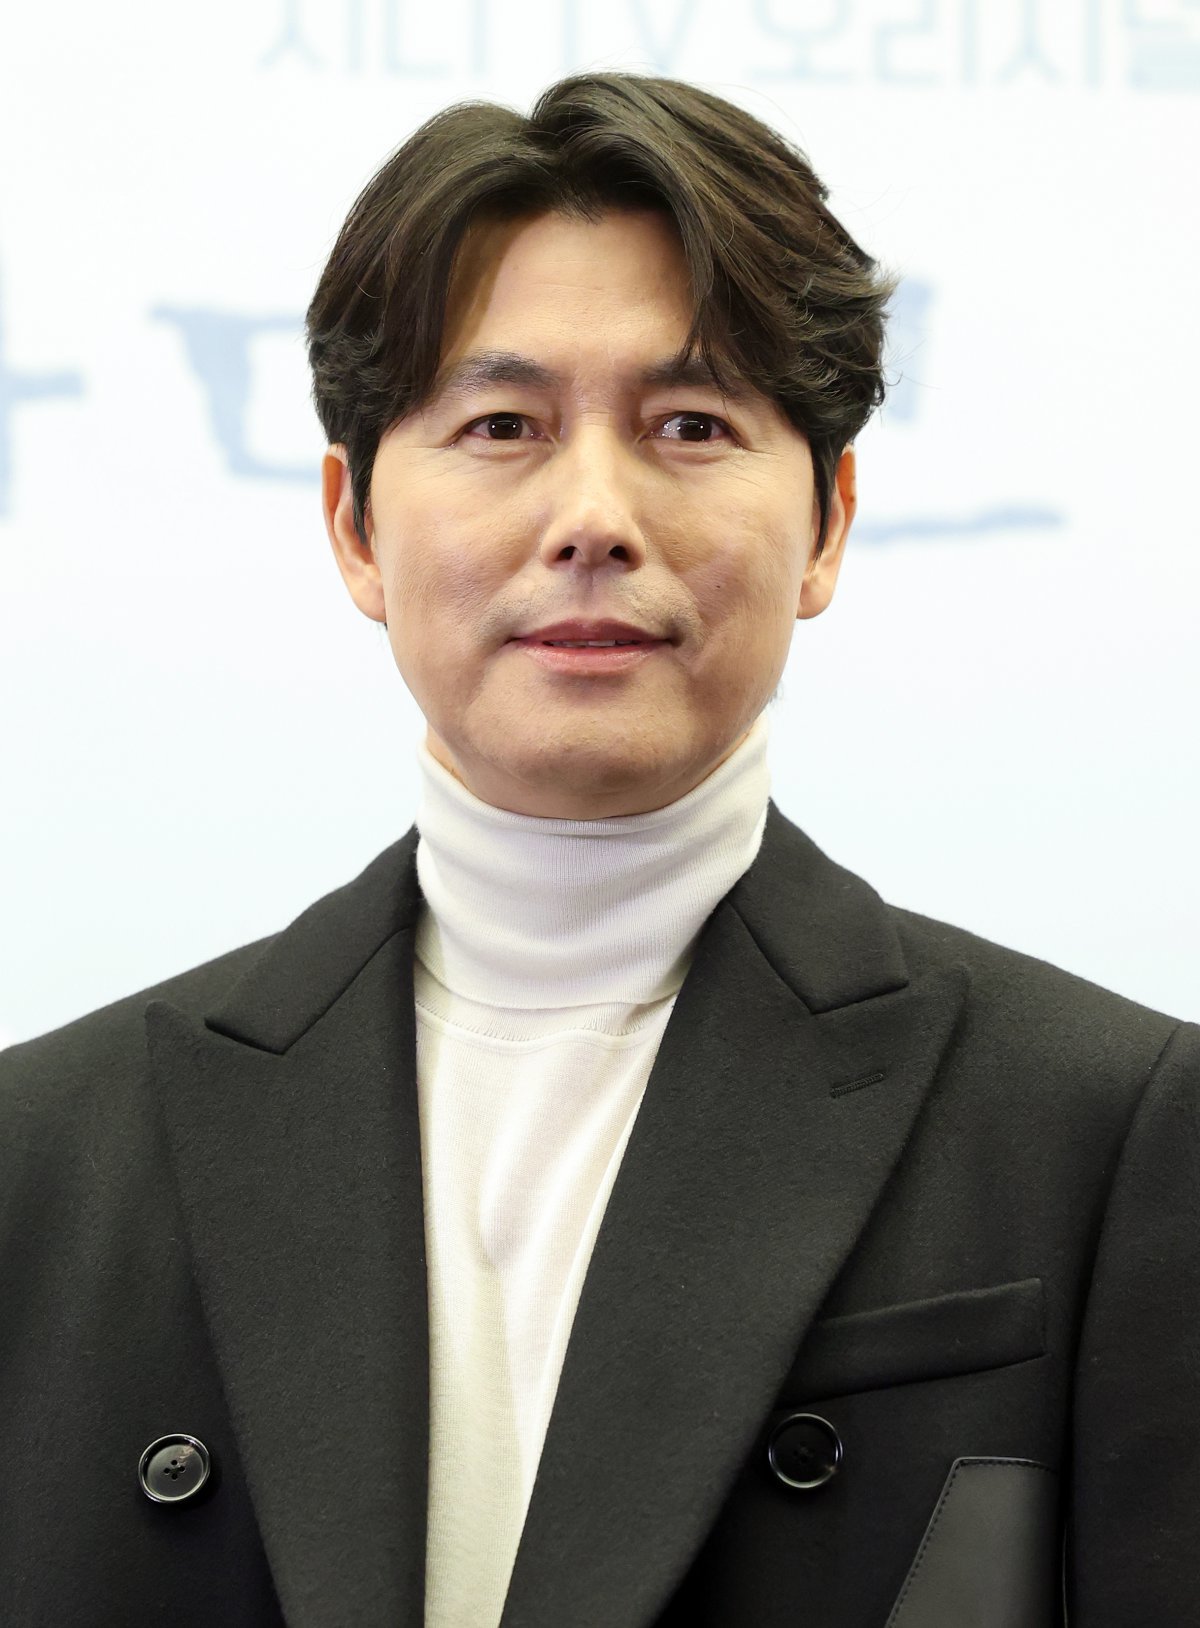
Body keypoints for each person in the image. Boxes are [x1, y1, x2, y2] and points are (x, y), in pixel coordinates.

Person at [1, 71, 1196, 1628]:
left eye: (689, 425)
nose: (593, 517)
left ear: (829, 522)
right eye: (500, 425)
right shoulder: (40, 1158)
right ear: (355, 527)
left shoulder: (1109, 1129)